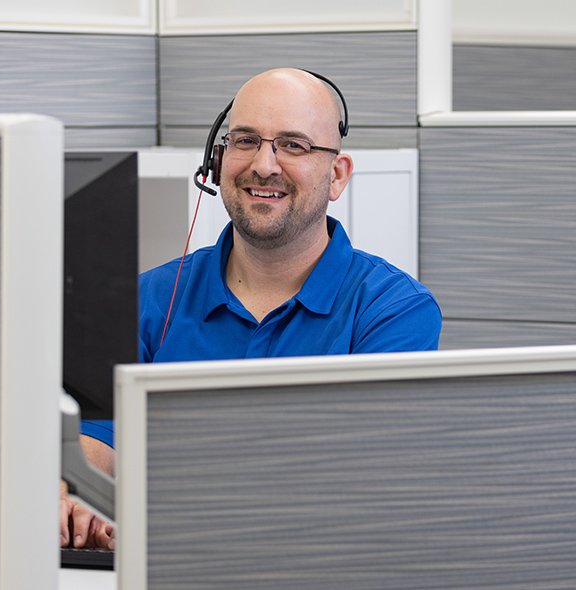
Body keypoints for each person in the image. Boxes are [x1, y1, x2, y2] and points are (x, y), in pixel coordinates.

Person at [61, 67, 442, 548]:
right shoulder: (149, 298)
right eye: (244, 140)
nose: (264, 165)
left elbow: (359, 478)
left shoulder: (393, 312)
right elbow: (99, 434)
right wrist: (72, 494)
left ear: (337, 175)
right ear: (217, 160)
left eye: (294, 145)